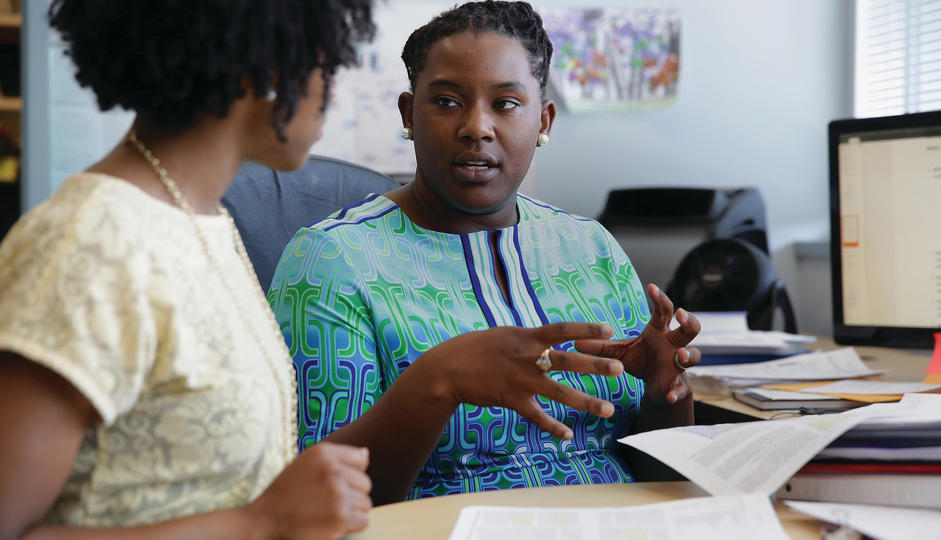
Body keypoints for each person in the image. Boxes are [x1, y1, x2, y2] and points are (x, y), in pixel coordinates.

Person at [268, 0, 702, 505]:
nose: (476, 126)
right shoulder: (333, 260)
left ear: (544, 120)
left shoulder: (591, 247)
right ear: (409, 113)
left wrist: (667, 393)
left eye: (506, 104)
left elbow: (658, 475)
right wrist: (437, 382)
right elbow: (316, 497)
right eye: (447, 101)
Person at [0, 1, 377, 538]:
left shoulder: (203, 220)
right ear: (269, 63)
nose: (332, 90)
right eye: (327, 63)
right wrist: (261, 521)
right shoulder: (92, 243)